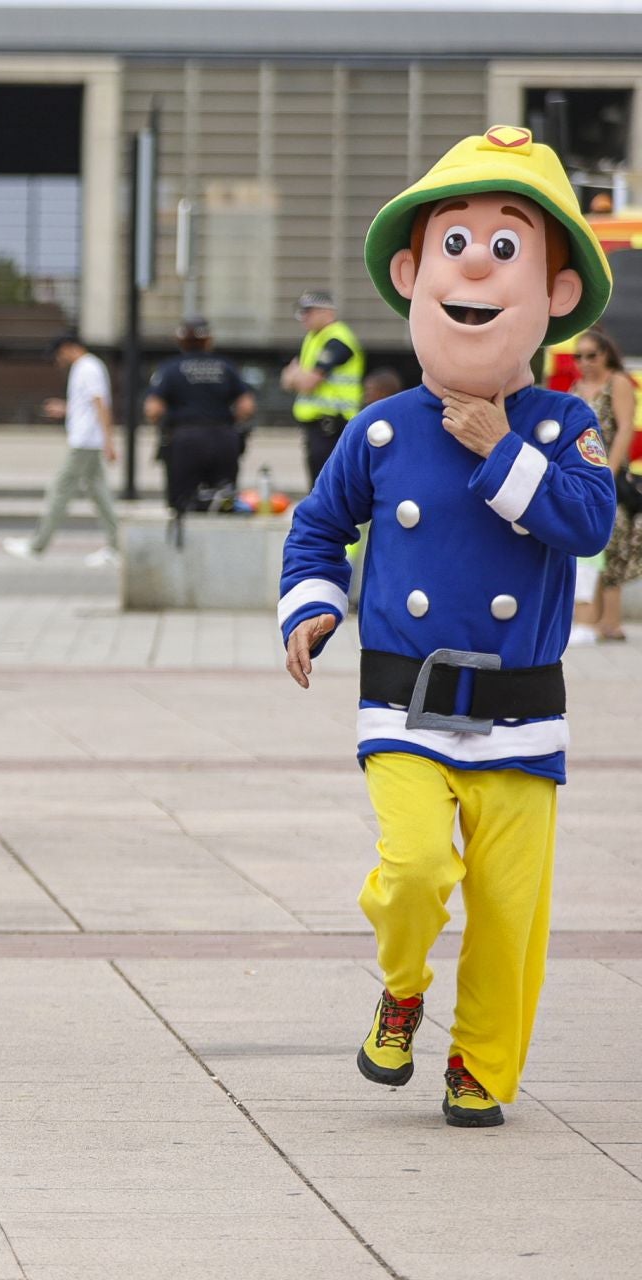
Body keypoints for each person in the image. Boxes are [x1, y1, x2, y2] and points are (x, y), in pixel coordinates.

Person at [281, 126, 615, 1129]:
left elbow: (590, 520)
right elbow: (319, 525)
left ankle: (479, 1062)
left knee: (512, 917)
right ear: (412, 270)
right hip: (405, 701)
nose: (476, 263)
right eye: (454, 243)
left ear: (555, 291)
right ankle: (402, 982)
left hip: (521, 713)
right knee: (415, 870)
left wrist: (503, 448)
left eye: (507, 245)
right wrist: (314, 605)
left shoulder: (563, 425)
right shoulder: (380, 427)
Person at [4, 334, 120, 565]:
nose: (58, 360)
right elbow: (88, 405)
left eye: (59, 354)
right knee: (99, 494)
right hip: (87, 441)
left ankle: (37, 545)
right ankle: (118, 546)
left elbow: (100, 404)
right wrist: (67, 409)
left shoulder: (88, 367)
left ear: (68, 348)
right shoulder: (87, 367)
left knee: (59, 491)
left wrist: (109, 440)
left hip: (84, 443)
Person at [566, 327, 639, 643]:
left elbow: (625, 429)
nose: (584, 362)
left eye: (591, 355)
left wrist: (609, 470)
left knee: (614, 539)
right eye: (578, 356)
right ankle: (589, 619)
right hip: (580, 477)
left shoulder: (618, 383)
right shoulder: (575, 389)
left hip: (609, 477)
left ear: (606, 354)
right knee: (586, 545)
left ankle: (611, 622)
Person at [144, 316, 255, 514]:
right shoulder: (226, 366)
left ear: (181, 340)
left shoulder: (170, 368)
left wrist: (164, 423)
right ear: (208, 340)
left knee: (182, 503)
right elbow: (247, 406)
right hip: (223, 438)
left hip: (185, 440)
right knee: (224, 501)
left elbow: (153, 409)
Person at [282, 290, 365, 486]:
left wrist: (296, 375)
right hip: (318, 426)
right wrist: (295, 377)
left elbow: (307, 382)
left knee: (328, 486)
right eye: (302, 312)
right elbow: (286, 380)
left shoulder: (337, 340)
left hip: (332, 425)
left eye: (309, 312)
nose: (304, 317)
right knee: (318, 485)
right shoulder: (313, 338)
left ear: (327, 312)